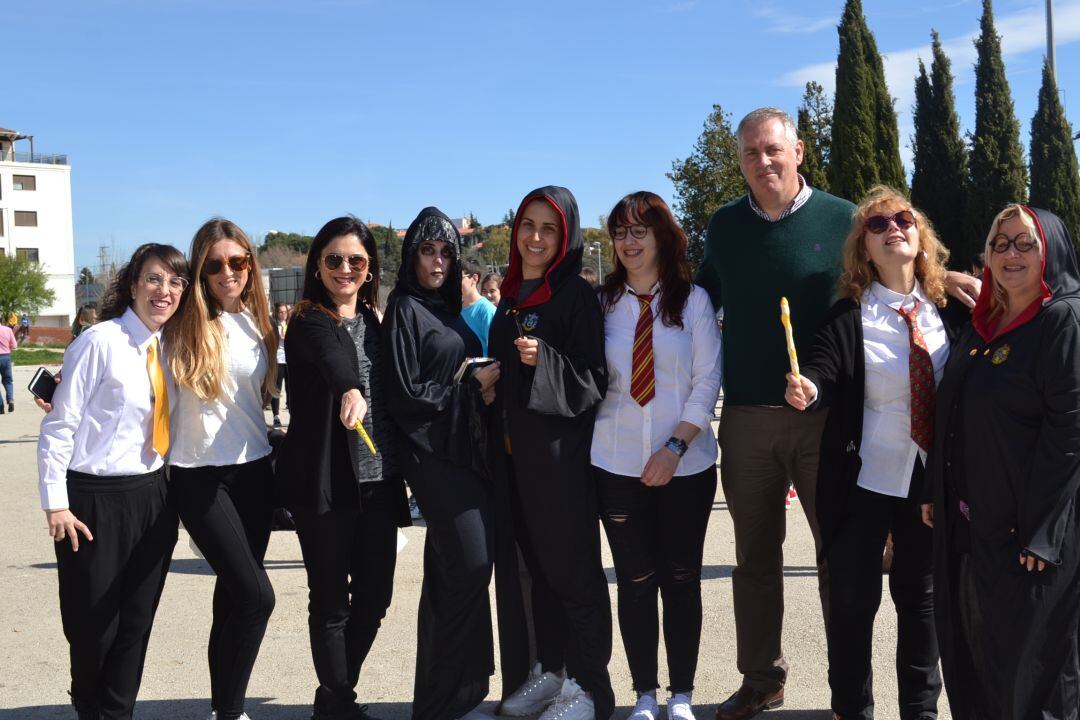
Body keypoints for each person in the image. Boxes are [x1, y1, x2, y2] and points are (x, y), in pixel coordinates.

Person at [694, 107, 981, 720]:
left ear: (798, 150)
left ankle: (855, 696)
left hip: (829, 423)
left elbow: (900, 264)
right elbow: (698, 297)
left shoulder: (845, 217)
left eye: (773, 149)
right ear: (740, 161)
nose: (762, 162)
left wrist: (945, 277)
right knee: (754, 558)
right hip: (747, 415)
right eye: (750, 153)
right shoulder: (722, 227)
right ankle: (761, 677)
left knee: (840, 564)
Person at [785, 187, 957, 719]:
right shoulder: (849, 315)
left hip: (928, 485)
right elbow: (823, 367)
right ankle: (851, 708)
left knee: (921, 604)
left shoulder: (951, 312)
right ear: (864, 248)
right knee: (854, 607)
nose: (893, 229)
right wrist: (808, 388)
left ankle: (920, 710)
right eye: (877, 225)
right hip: (862, 481)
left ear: (921, 237)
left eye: (903, 219)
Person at [922, 205, 1080, 720]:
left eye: (1024, 243)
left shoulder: (1063, 320)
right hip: (972, 527)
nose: (1010, 254)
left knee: (1032, 673)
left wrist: (1043, 530)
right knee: (978, 657)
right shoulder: (985, 321)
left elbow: (1069, 433)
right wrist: (937, 492)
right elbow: (956, 416)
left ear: (1050, 251)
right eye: (1000, 243)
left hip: (1028, 539)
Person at [37, 243, 189, 720]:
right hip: (93, 499)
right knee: (92, 624)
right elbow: (60, 425)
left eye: (175, 282)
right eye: (153, 279)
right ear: (132, 284)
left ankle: (117, 711)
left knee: (137, 621)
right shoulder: (98, 342)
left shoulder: (172, 346)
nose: (164, 291)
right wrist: (55, 503)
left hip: (153, 497)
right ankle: (88, 703)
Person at [592, 192, 722, 720]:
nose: (628, 241)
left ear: (662, 236)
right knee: (637, 581)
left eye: (639, 230)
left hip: (686, 465)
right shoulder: (600, 304)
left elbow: (707, 379)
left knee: (682, 577)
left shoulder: (693, 302)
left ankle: (682, 694)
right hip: (616, 462)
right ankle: (644, 693)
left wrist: (674, 447)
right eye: (620, 232)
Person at [275, 216, 410, 720]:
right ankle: (341, 704)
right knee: (331, 602)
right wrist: (349, 390)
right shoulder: (308, 319)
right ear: (317, 265)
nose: (345, 269)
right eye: (333, 259)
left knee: (375, 599)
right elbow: (335, 359)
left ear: (371, 268)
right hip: (327, 485)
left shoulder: (376, 323)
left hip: (380, 483)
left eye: (356, 260)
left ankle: (331, 694)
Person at [489, 186, 614, 720]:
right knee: (537, 572)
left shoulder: (576, 296)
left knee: (573, 573)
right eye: (528, 226)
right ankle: (552, 674)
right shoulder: (513, 295)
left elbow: (593, 380)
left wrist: (547, 362)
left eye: (549, 229)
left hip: (561, 463)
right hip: (517, 463)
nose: (536, 238)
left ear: (567, 238)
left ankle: (589, 690)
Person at [382, 207, 501, 720]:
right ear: (412, 256)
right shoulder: (405, 309)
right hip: (431, 454)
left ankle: (456, 695)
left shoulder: (449, 309)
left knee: (452, 572)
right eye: (428, 251)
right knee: (472, 564)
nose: (437, 261)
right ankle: (440, 699)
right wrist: (470, 384)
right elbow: (404, 393)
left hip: (467, 451)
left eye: (446, 253)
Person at [164, 218, 278, 720]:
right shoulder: (180, 326)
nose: (227, 272)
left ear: (250, 264)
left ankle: (220, 707)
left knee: (232, 598)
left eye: (237, 261)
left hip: (254, 470)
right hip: (198, 475)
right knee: (257, 597)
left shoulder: (260, 322)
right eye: (214, 265)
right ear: (200, 271)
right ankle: (231, 713)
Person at [460, 257, 496, 356]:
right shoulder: (455, 310)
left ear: (474, 278)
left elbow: (495, 350)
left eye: (459, 278)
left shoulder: (487, 310)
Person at [271, 302, 290, 427]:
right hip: (278, 360)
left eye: (285, 312)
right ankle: (276, 416)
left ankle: (292, 412)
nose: (283, 315)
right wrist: (277, 338)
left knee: (291, 389)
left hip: (289, 361)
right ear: (277, 313)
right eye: (281, 312)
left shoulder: (291, 325)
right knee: (276, 389)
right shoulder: (273, 326)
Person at [0, 318, 16, 414]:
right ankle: (10, 400)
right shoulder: (8, 329)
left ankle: (1, 407)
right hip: (6, 357)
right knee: (8, 381)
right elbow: (14, 345)